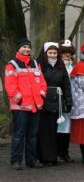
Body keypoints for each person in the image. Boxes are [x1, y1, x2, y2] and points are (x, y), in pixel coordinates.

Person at [4, 38, 47, 170]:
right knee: (19, 134)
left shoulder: (35, 63)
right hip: (21, 106)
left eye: (28, 47)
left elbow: (42, 82)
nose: (27, 49)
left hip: (35, 105)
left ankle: (31, 160)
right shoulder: (12, 64)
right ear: (19, 49)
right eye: (24, 47)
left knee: (32, 135)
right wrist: (19, 99)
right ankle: (16, 161)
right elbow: (10, 85)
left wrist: (41, 95)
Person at [37, 42, 72, 166]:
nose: (52, 55)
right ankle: (43, 157)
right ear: (45, 54)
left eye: (55, 53)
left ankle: (52, 157)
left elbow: (66, 85)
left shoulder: (61, 67)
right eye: (50, 53)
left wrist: (68, 102)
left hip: (57, 101)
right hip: (44, 100)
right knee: (44, 131)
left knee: (54, 130)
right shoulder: (40, 66)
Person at [57, 39, 76, 163]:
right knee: (60, 126)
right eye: (64, 52)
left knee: (68, 127)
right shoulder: (58, 66)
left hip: (71, 99)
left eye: (69, 52)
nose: (67, 54)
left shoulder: (73, 67)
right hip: (60, 100)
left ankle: (65, 152)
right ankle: (59, 152)